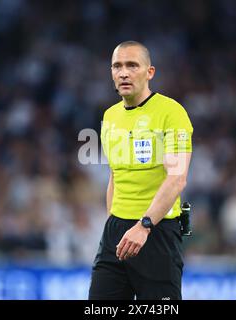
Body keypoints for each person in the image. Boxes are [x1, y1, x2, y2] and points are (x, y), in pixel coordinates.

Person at [88, 41, 193, 300]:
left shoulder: (172, 112)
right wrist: (113, 222)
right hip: (117, 235)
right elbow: (115, 175)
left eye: (132, 65)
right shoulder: (110, 116)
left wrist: (144, 225)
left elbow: (177, 178)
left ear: (150, 72)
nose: (123, 73)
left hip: (157, 232)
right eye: (117, 66)